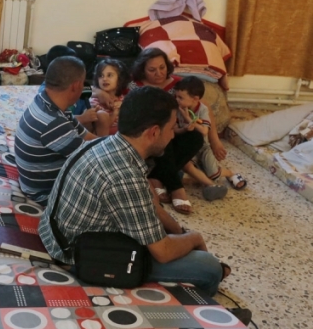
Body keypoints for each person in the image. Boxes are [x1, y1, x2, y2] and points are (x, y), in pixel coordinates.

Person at [37, 86, 231, 296]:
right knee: (208, 266)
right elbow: (163, 252)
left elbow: (150, 204)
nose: (173, 136)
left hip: (57, 235)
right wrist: (194, 238)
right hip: (79, 256)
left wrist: (178, 232)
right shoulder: (124, 175)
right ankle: (206, 309)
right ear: (154, 132)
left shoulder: (106, 144)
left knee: (177, 239)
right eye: (171, 128)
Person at [129, 48, 210, 214]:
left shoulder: (178, 85)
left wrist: (215, 141)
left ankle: (156, 177)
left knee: (195, 137)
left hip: (175, 131)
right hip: (147, 134)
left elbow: (202, 107)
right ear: (142, 70)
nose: (159, 73)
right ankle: (176, 188)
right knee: (163, 135)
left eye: (162, 67)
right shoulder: (133, 85)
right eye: (152, 70)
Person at [15, 56, 97, 206]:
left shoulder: (46, 101)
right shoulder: (54, 124)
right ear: (76, 86)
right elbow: (95, 161)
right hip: (45, 195)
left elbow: (87, 137)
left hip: (32, 183)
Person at [174, 76, 247, 194]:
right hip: (187, 148)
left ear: (195, 99)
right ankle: (210, 185)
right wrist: (184, 129)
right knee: (186, 166)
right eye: (176, 96)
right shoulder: (178, 109)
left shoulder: (202, 110)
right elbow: (176, 129)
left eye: (180, 98)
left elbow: (204, 131)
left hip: (203, 147)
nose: (177, 100)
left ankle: (229, 173)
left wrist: (188, 119)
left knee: (213, 174)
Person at [89, 58, 129, 136]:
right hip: (103, 136)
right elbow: (105, 124)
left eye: (109, 75)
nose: (104, 79)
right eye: (101, 76)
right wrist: (115, 112)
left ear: (120, 79)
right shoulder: (94, 101)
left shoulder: (123, 99)